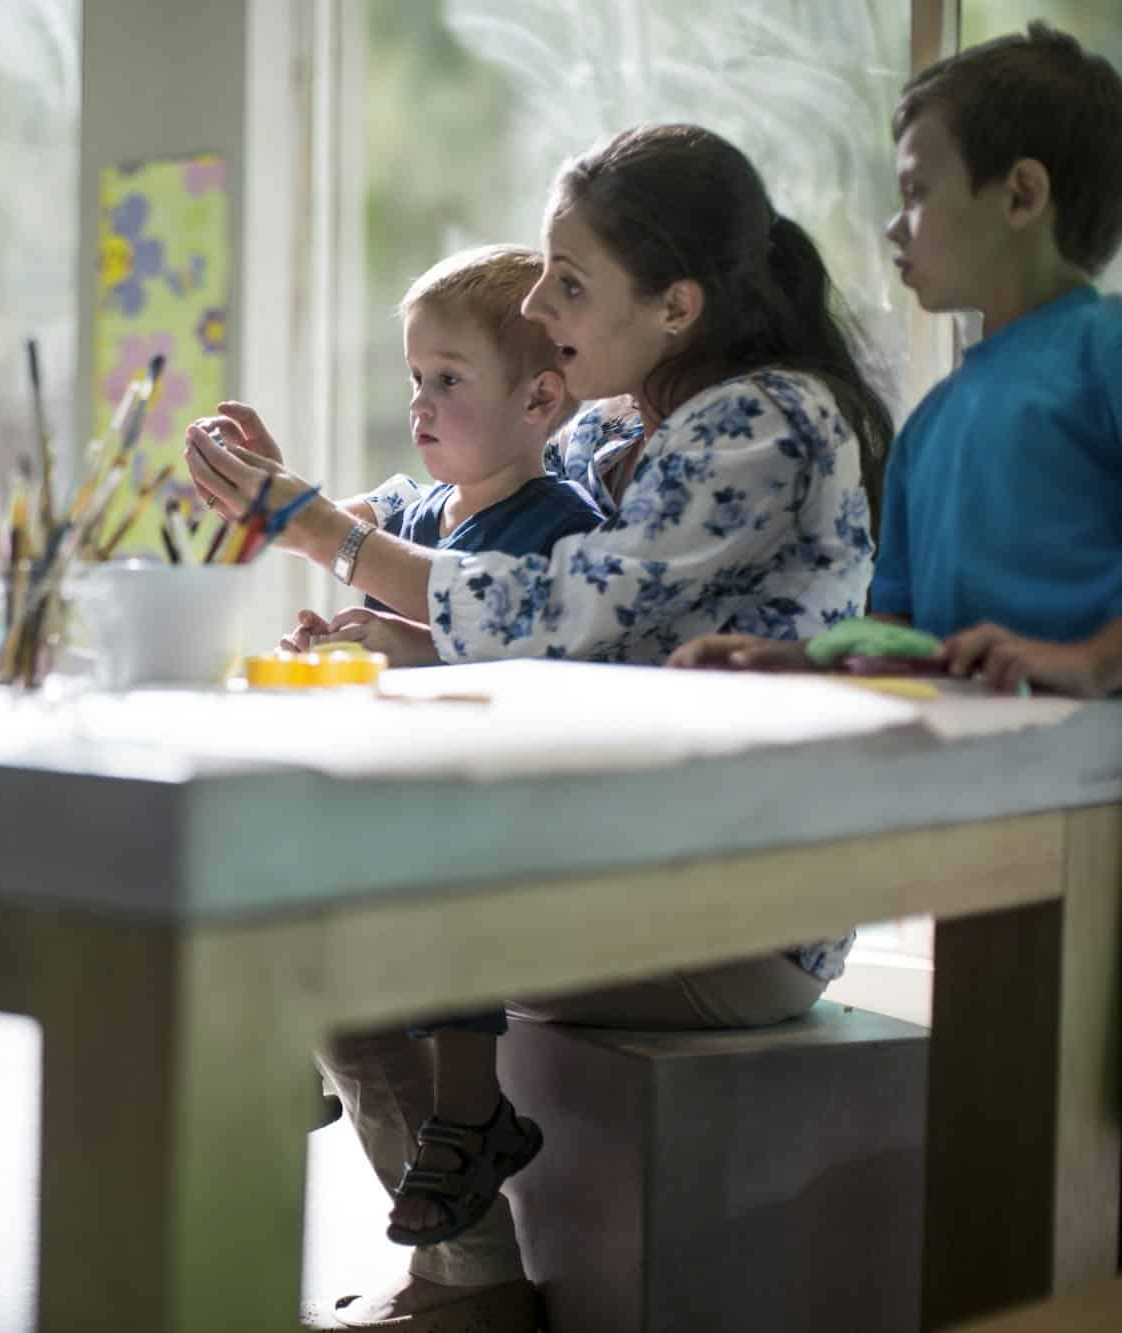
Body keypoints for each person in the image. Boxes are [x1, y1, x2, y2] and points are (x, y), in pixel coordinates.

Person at [187, 126, 892, 1333]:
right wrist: (307, 513)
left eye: (567, 282)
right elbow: (470, 535)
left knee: (342, 951)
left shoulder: (764, 425)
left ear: (675, 305)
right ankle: (464, 1275)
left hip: (735, 900)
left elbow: (567, 607)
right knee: (319, 929)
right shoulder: (623, 427)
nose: (533, 299)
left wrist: (317, 532)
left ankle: (468, 1285)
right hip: (639, 858)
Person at [675, 22, 1122, 700]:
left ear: (1021, 195)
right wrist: (806, 662)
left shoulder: (1106, 350)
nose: (894, 224)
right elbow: (898, 634)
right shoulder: (930, 424)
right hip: (972, 758)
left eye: (916, 192)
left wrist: (1091, 662)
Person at [270, 244, 600, 660]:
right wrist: (333, 652)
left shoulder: (570, 533)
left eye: (448, 379)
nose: (419, 403)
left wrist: (423, 651)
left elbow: (565, 680)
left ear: (539, 399)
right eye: (417, 377)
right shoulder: (408, 522)